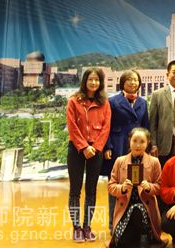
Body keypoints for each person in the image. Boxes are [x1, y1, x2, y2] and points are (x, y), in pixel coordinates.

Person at [66, 68, 111, 242]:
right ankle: (76, 227)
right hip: (77, 149)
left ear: (100, 83)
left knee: (91, 190)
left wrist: (96, 147)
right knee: (75, 190)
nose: (93, 83)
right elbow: (72, 127)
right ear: (85, 81)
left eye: (97, 80)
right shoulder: (74, 101)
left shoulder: (104, 103)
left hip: (96, 151)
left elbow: (106, 127)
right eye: (90, 79)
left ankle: (87, 226)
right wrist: (84, 146)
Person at [102, 70, 149, 232]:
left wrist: (148, 148)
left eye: (135, 80)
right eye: (129, 79)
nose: (133, 82)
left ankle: (136, 224)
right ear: (122, 82)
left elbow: (146, 127)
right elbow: (106, 126)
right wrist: (107, 146)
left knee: (137, 185)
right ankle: (113, 223)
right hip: (118, 146)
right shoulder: (113, 101)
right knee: (116, 185)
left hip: (138, 148)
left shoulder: (143, 102)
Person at [107, 128, 165, 248]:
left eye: (142, 141)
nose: (138, 145)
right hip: (124, 209)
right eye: (134, 141)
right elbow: (111, 186)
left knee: (137, 209)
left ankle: (143, 236)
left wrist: (149, 187)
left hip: (146, 209)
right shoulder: (120, 161)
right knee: (123, 243)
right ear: (129, 141)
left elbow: (160, 187)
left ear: (148, 143)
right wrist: (122, 188)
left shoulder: (154, 162)